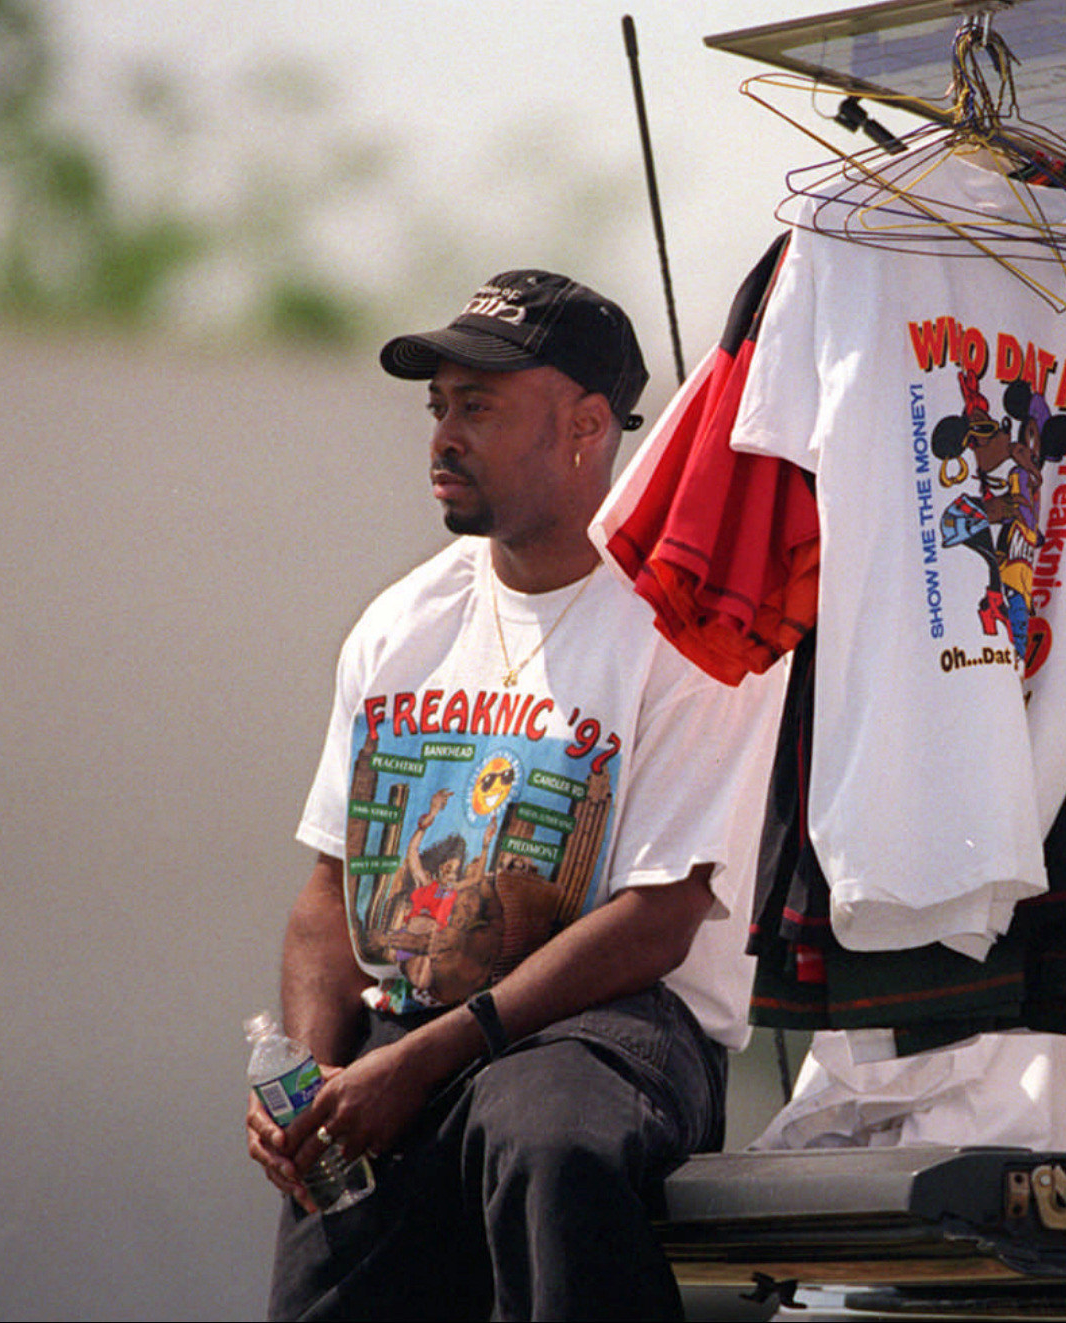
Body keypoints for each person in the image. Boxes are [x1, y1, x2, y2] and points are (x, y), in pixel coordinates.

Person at [244, 270, 781, 1320]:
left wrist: (429, 1058)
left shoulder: (687, 625)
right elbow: (329, 889)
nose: (444, 434)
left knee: (552, 1143)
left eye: (478, 406)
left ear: (586, 426)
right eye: (438, 406)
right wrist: (309, 1087)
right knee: (331, 1259)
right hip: (416, 1024)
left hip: (615, 1028)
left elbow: (660, 918)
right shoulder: (401, 627)